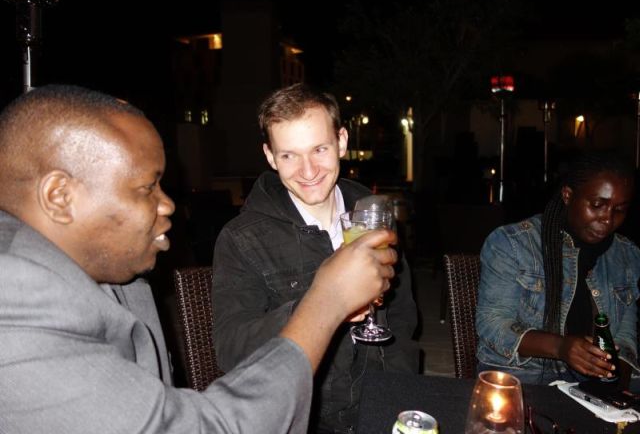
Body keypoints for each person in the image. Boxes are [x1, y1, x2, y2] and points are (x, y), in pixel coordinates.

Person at [0, 84, 399, 434]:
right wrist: (327, 301)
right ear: (59, 197)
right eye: (147, 187)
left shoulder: (118, 275)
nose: (168, 204)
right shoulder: (16, 299)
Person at [212, 83, 419, 433]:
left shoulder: (372, 214)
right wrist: (322, 304)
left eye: (319, 149)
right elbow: (231, 349)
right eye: (289, 156)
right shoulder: (241, 238)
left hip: (381, 405)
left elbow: (401, 315)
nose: (308, 171)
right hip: (304, 417)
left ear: (341, 141)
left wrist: (395, 396)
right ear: (270, 156)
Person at [476, 151, 640, 386]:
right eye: (597, 205)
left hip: (593, 383)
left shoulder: (627, 254)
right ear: (568, 195)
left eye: (619, 209)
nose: (607, 218)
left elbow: (625, 335)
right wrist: (561, 347)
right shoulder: (513, 243)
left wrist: (614, 377)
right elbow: (492, 324)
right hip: (525, 375)